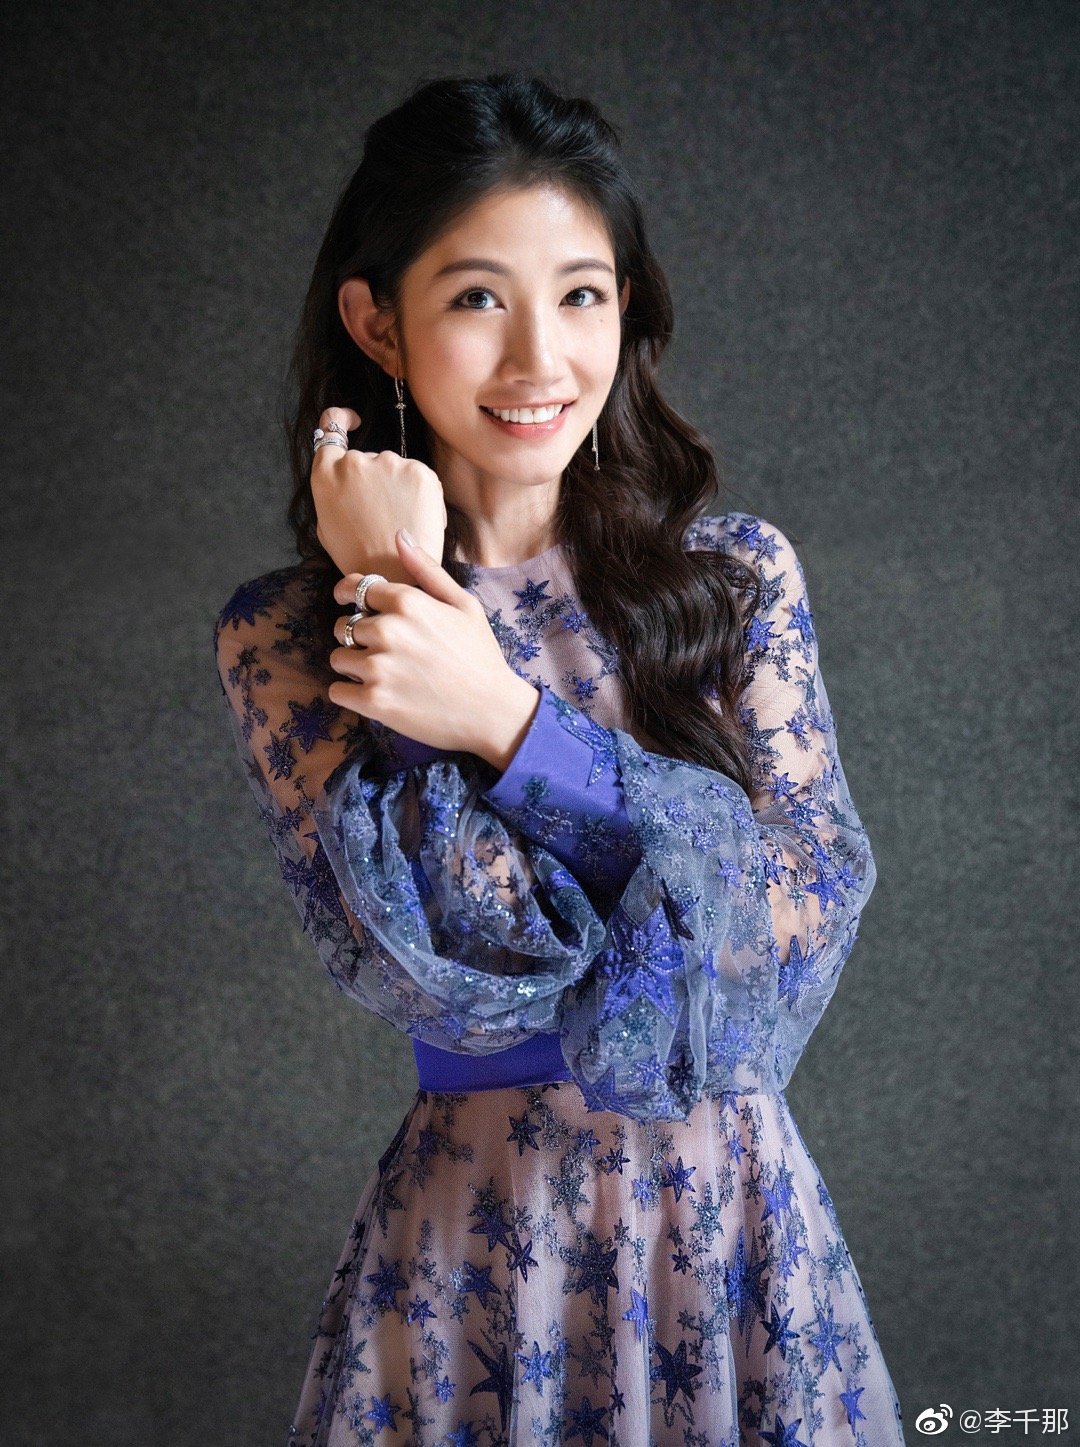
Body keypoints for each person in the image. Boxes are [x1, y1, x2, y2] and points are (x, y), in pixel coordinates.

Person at [213, 70, 906, 1447]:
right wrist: (401, 587)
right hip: (479, 1262)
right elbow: (469, 973)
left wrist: (506, 723)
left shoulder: (735, 581)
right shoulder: (290, 637)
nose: (541, 359)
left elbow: (782, 949)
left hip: (731, 1237)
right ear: (378, 321)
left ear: (626, 308)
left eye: (582, 294)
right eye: (479, 297)